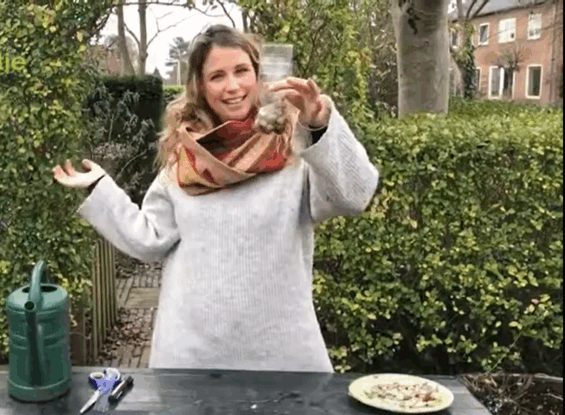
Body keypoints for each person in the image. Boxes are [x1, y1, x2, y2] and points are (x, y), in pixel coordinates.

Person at [53, 24, 379, 373]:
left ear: (258, 76)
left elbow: (354, 195)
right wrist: (99, 187)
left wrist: (320, 124)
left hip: (282, 357)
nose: (232, 86)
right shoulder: (185, 160)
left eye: (241, 71)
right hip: (194, 358)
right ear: (201, 87)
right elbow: (149, 239)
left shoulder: (293, 150)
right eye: (217, 76)